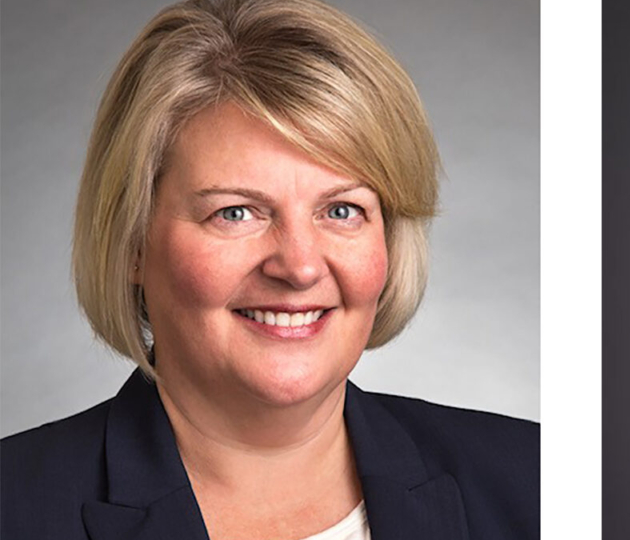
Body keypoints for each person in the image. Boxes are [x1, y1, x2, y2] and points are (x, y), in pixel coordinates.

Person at [0, 1, 538, 538]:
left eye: (341, 210)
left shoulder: (537, 482)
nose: (300, 266)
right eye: (235, 212)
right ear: (133, 242)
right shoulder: (16, 506)